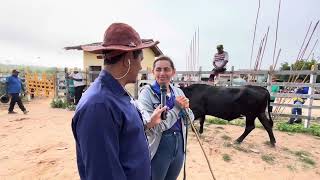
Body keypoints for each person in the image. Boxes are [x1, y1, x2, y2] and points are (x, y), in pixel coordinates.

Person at [71, 23, 166, 180]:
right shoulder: (98, 106)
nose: (141, 66)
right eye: (140, 60)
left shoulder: (116, 94)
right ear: (128, 60)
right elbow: (103, 174)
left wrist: (148, 124)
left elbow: (124, 137)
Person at [138, 55, 195, 180]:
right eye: (158, 69)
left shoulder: (178, 91)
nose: (162, 73)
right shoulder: (146, 94)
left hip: (179, 144)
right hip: (159, 145)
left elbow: (189, 120)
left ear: (173, 72)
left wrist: (187, 110)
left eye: (166, 69)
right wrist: (177, 109)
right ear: (153, 72)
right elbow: (155, 126)